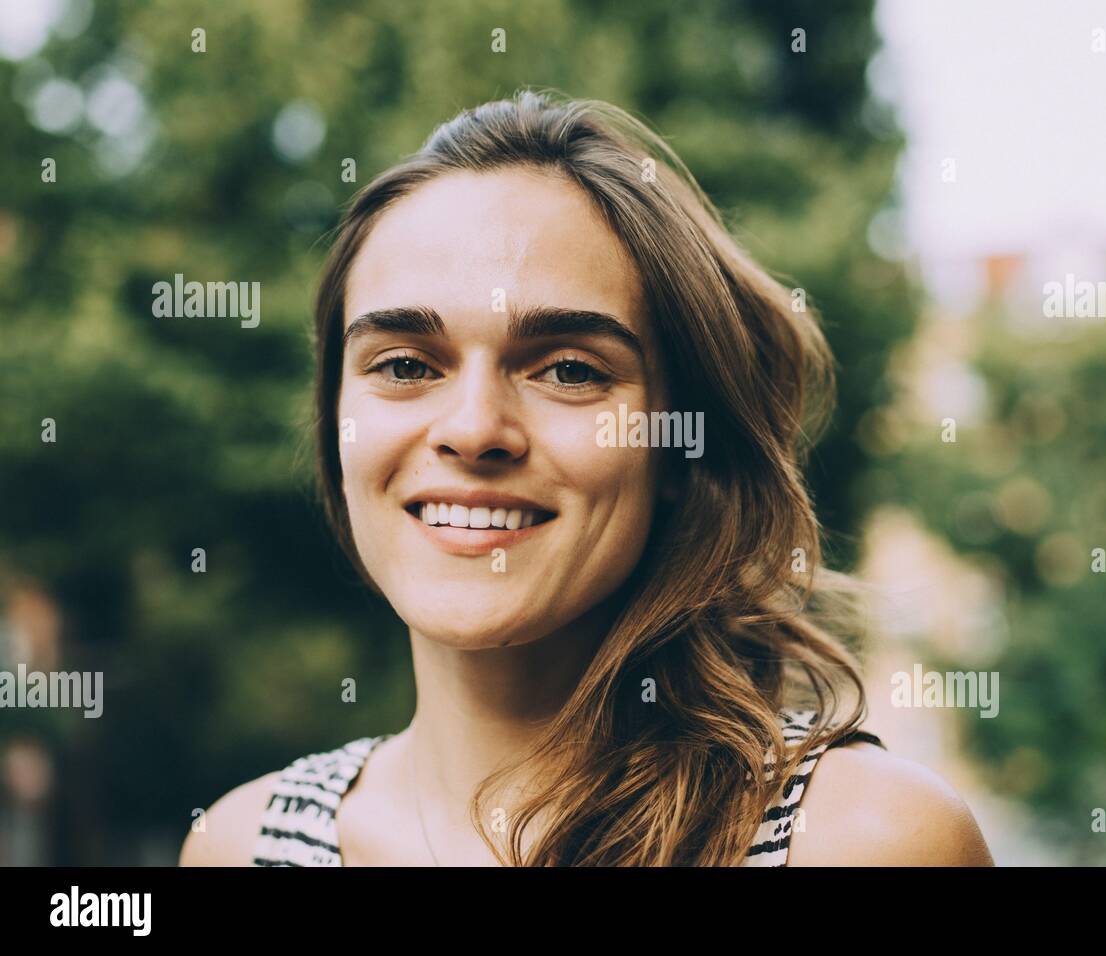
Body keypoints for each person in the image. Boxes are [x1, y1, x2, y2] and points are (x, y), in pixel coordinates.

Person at [179, 89, 993, 867]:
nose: (472, 429)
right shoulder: (240, 846)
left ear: (680, 445)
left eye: (568, 370)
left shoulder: (869, 844)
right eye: (403, 364)